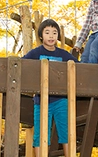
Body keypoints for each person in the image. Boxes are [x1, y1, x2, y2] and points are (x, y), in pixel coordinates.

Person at [22, 19, 78, 157]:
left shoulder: (63, 55)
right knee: (40, 133)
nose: (51, 36)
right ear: (41, 35)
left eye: (54, 33)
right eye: (47, 32)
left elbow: (79, 67)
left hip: (61, 100)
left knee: (66, 131)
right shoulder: (35, 53)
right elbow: (22, 64)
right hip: (41, 100)